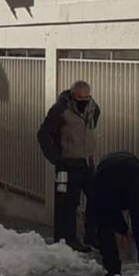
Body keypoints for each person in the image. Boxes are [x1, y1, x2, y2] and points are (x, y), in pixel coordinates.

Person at [37, 80, 100, 252]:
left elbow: (92, 126)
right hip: (68, 163)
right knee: (69, 204)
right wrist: (56, 158)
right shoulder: (60, 110)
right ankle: (69, 239)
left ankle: (92, 235)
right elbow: (44, 134)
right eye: (80, 98)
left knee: (96, 198)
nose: (84, 101)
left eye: (87, 98)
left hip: (87, 161)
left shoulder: (93, 108)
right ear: (73, 96)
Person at [89, 152, 139, 276]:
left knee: (105, 227)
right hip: (136, 181)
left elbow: (108, 213)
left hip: (107, 181)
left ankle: (113, 270)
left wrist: (123, 230)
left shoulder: (100, 179)